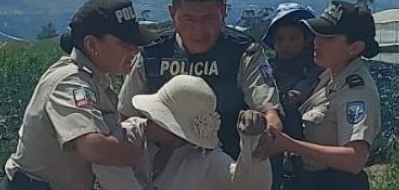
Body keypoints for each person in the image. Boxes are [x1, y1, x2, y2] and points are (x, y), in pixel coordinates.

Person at [119, 0, 283, 159]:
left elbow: (270, 114)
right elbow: (125, 117)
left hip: (226, 169)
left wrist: (266, 136)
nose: (199, 30)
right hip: (161, 172)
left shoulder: (244, 53)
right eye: (188, 19)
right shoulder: (151, 53)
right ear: (172, 13)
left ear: (223, 10)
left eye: (208, 18)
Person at [2, 0, 157, 190]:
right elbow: (93, 147)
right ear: (92, 45)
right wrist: (139, 153)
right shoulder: (71, 82)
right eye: (125, 45)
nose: (135, 51)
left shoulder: (95, 80)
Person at [263, 0, 381, 190]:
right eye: (317, 35)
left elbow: (354, 159)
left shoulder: (356, 92)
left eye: (329, 38)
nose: (317, 42)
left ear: (355, 48)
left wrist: (290, 145)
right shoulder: (328, 75)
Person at [92, 75, 272, 190]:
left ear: (178, 131)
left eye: (157, 117)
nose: (148, 118)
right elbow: (105, 162)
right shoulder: (132, 133)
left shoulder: (206, 161)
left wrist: (252, 143)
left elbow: (248, 185)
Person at [262, 3, 321, 190]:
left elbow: (315, 83)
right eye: (280, 39)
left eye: (293, 38)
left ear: (306, 40)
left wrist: (300, 91)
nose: (286, 44)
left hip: (306, 138)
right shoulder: (268, 69)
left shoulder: (316, 67)